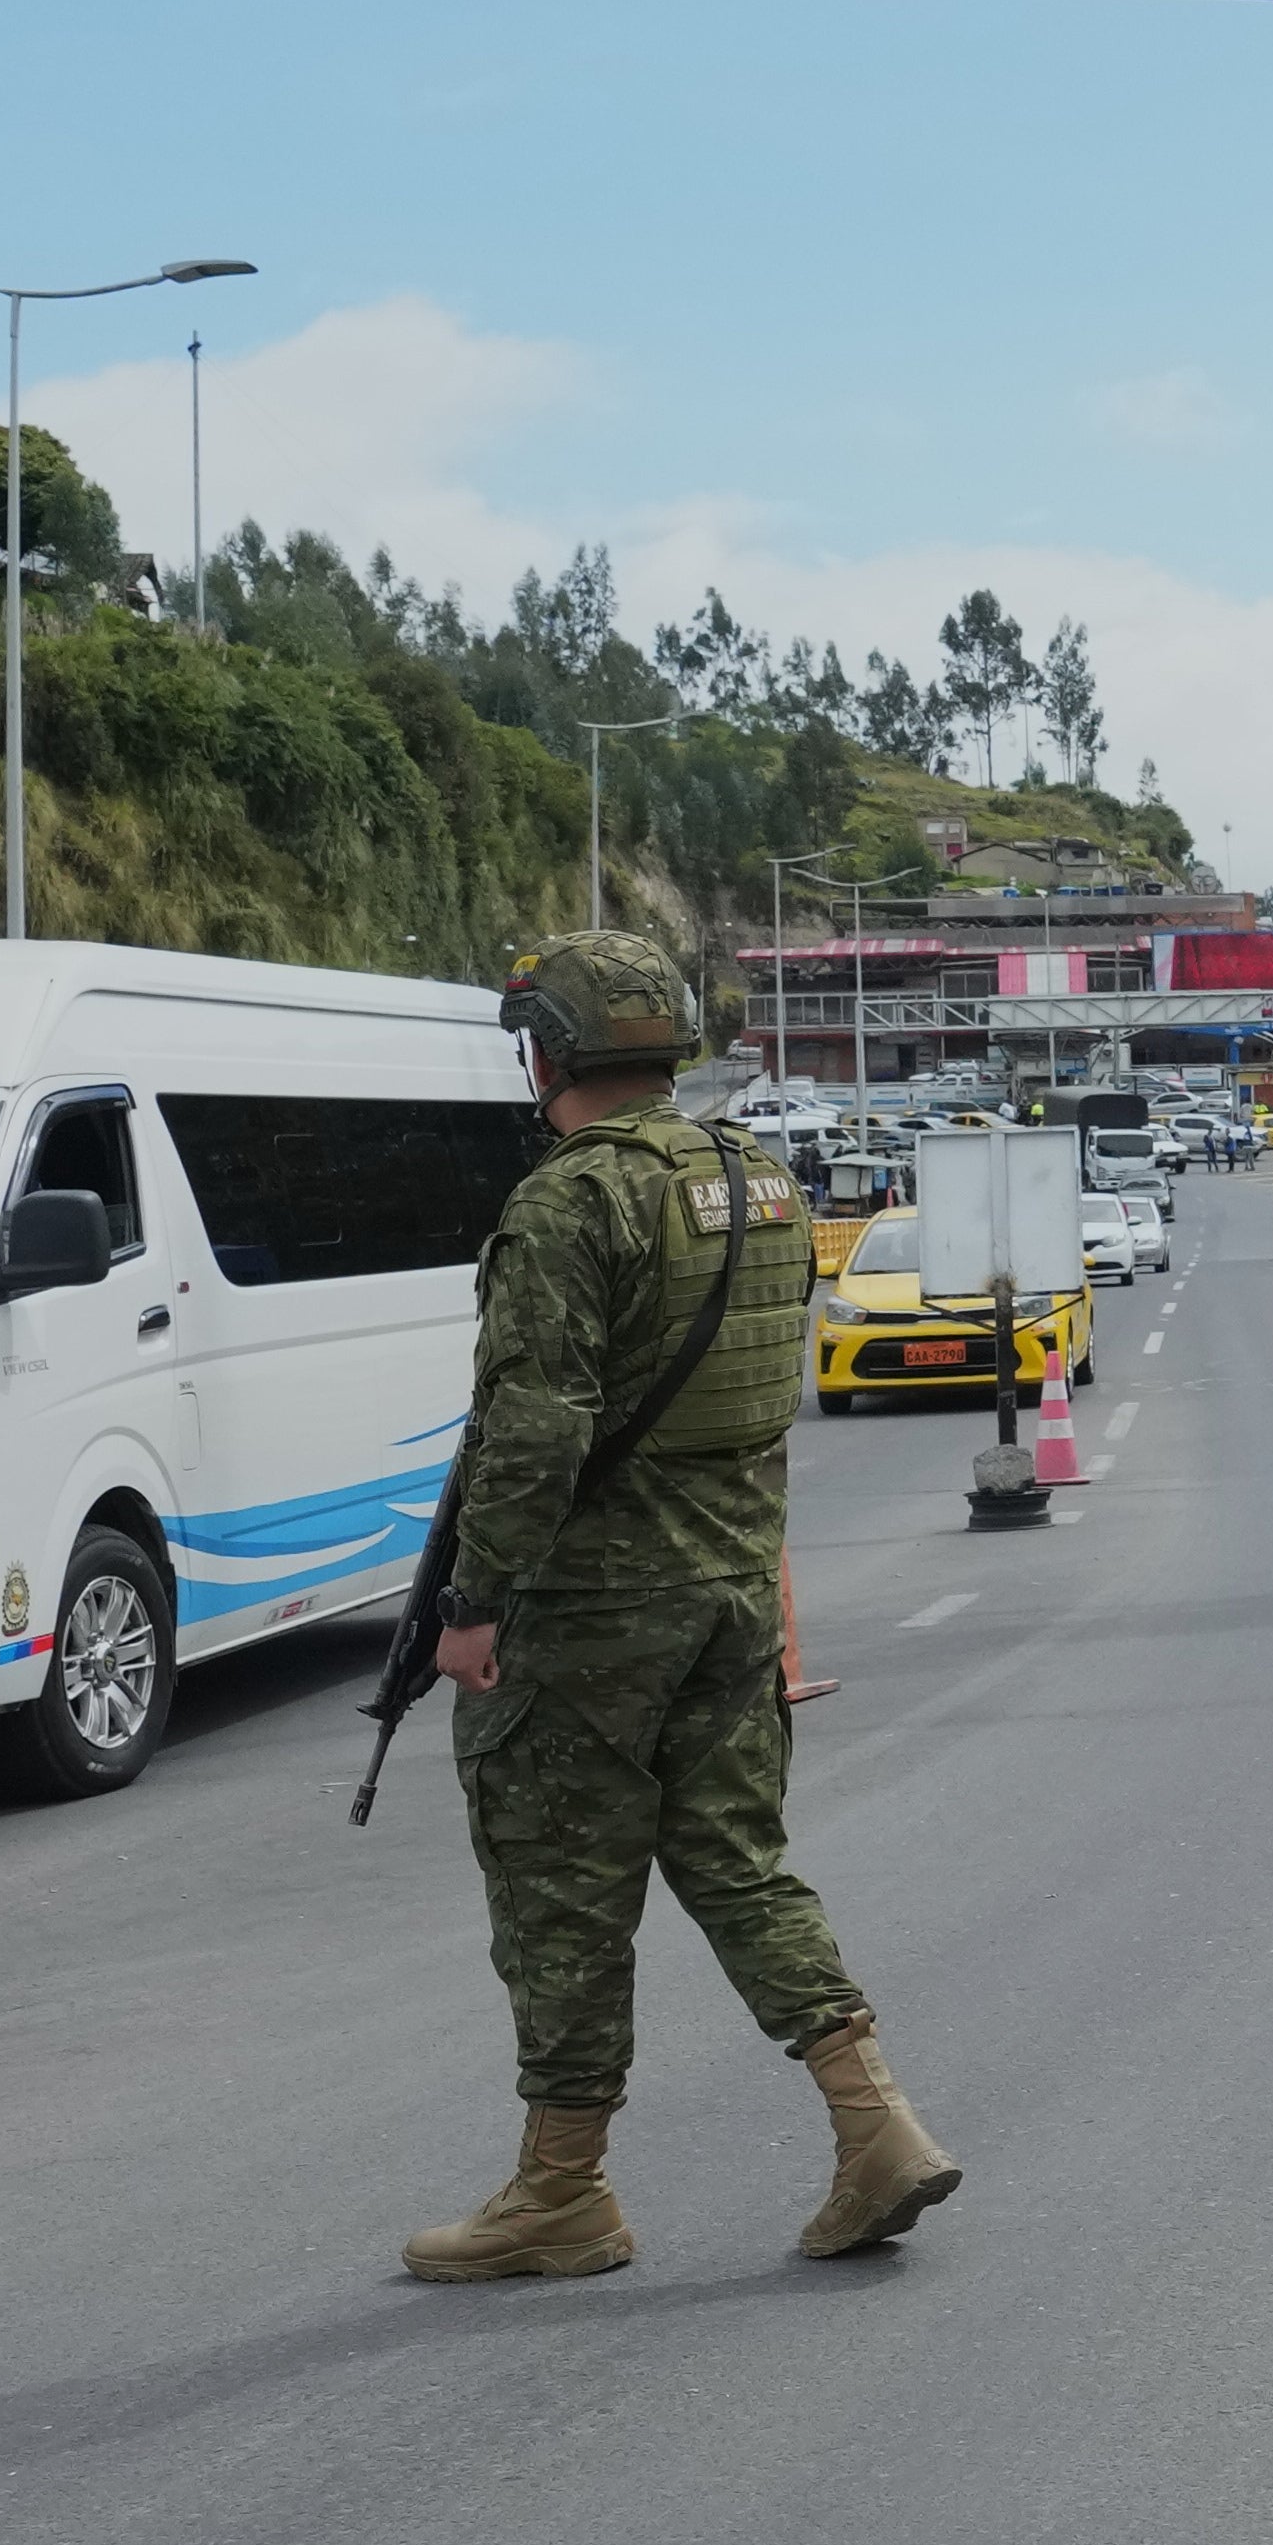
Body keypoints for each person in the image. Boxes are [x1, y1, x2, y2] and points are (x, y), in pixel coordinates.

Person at [402, 929, 961, 2285]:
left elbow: (534, 1428)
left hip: (592, 1611)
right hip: (727, 1591)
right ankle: (872, 2120)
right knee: (734, 1860)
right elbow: (756, 1409)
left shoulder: (566, 1203)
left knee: (562, 1894)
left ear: (544, 1051)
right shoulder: (757, 1176)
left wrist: (469, 1604)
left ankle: (561, 2193)